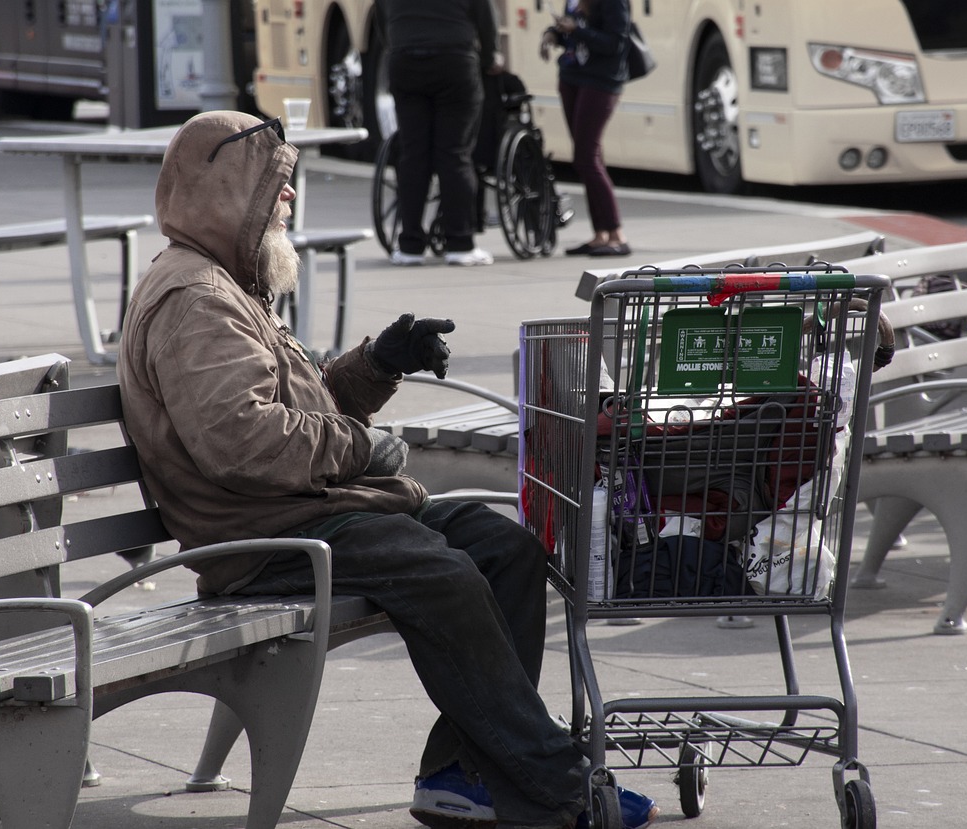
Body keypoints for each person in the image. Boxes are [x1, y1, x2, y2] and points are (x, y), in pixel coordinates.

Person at [117, 111, 658, 829]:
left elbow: (295, 410)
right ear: (227, 194)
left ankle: (460, 772)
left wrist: (378, 366)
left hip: (306, 507)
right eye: (276, 189)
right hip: (259, 535)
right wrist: (362, 448)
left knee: (504, 548)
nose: (288, 202)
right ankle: (556, 783)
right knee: (441, 571)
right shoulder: (196, 300)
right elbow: (243, 444)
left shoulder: (228, 283)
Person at [379, 0, 499, 267]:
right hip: (455, 60)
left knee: (413, 154)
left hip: (405, 60)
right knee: (455, 154)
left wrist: (400, 46)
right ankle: (460, 243)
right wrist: (490, 57)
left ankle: (410, 245)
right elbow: (485, 18)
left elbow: (381, 20)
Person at [541, 0, 633, 258]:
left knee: (585, 157)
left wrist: (576, 30)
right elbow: (573, 29)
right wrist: (553, 34)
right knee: (589, 158)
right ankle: (600, 233)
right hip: (572, 76)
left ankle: (617, 234)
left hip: (601, 81)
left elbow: (615, 42)